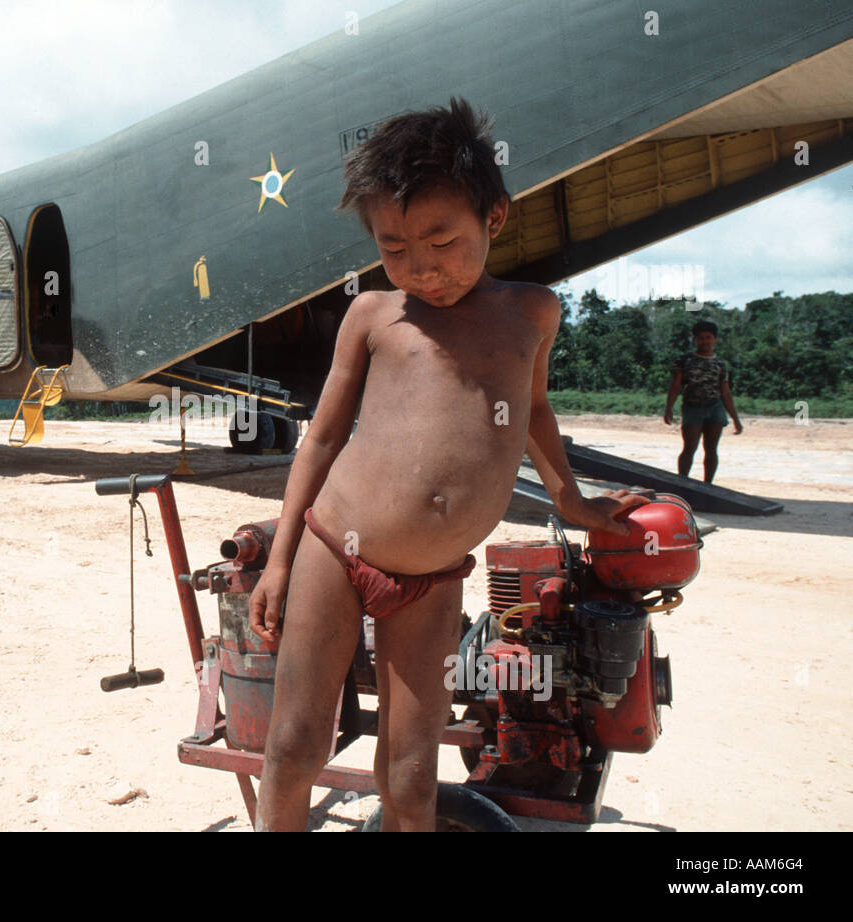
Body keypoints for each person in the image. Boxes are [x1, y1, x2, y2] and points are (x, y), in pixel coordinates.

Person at [246, 98, 645, 832]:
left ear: (493, 217)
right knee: (296, 744)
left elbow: (530, 413)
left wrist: (572, 501)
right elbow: (324, 439)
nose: (422, 269)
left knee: (410, 773)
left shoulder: (531, 313)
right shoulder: (373, 315)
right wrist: (279, 560)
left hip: (432, 578)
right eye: (394, 247)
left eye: (442, 241)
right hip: (337, 547)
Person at [663, 319, 742, 483]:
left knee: (711, 449)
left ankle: (708, 486)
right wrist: (669, 408)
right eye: (701, 337)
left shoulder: (720, 364)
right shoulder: (684, 360)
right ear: (695, 339)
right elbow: (676, 385)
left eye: (708, 337)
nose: (705, 341)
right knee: (690, 447)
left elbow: (726, 393)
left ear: (715, 339)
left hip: (715, 408)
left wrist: (735, 419)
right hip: (693, 408)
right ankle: (682, 483)